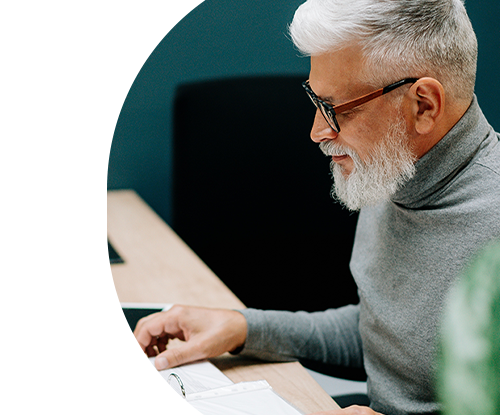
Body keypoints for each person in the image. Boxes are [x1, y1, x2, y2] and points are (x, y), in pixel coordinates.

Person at [133, 1, 500, 414]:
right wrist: (245, 328)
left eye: (337, 109)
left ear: (423, 106)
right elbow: (387, 335)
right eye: (315, 100)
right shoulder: (395, 168)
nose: (316, 132)